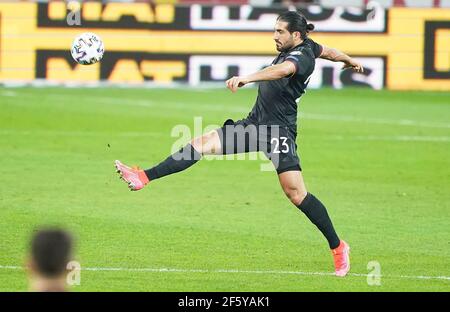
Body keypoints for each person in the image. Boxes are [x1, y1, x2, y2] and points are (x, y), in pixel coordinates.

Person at [115, 11, 363, 277]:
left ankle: (338, 247)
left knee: (296, 194)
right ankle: (142, 176)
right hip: (255, 125)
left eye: (280, 31)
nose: (275, 36)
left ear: (296, 35)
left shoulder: (301, 57)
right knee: (201, 143)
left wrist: (248, 77)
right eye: (275, 30)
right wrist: (348, 60)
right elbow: (329, 51)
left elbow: (282, 69)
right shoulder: (311, 46)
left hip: (278, 132)